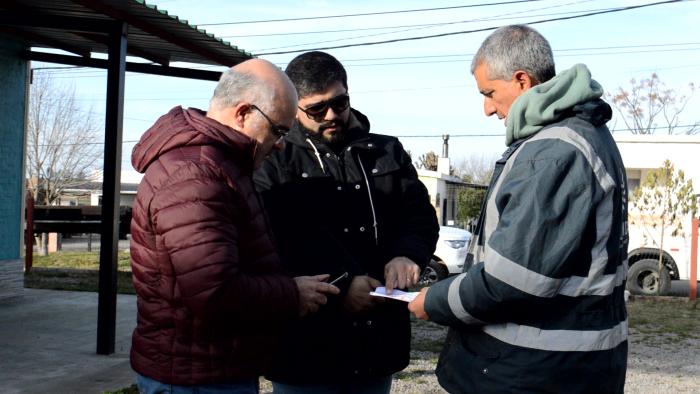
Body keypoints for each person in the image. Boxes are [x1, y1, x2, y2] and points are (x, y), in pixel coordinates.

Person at [408, 25, 629, 393]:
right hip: (558, 367)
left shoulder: (554, 152)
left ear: (522, 80)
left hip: (538, 371)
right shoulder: (574, 136)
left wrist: (433, 300)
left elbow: (511, 281)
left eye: (490, 93)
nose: (487, 109)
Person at [129, 59, 340, 394]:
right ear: (243, 113)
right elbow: (213, 291)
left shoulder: (219, 166)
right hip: (195, 378)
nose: (282, 143)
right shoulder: (195, 176)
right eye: (278, 130)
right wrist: (291, 293)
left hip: (210, 369)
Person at [254, 51, 439, 393]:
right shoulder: (274, 160)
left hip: (376, 342)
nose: (331, 115)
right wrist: (343, 287)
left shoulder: (387, 151)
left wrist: (408, 255)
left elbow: (420, 217)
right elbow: (274, 241)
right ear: (295, 107)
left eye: (339, 103)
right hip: (305, 348)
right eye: (316, 109)